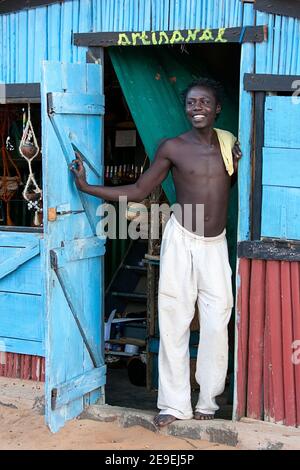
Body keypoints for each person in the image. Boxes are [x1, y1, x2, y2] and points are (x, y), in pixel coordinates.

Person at [69, 78, 242, 427]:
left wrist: (236, 161)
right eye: (192, 103)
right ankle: (175, 404)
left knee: (216, 323)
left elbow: (228, 185)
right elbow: (138, 190)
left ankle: (208, 401)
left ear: (217, 108)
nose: (197, 108)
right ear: (185, 108)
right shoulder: (172, 147)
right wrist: (87, 187)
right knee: (174, 321)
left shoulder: (229, 145)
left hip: (215, 244)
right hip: (181, 238)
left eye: (204, 103)